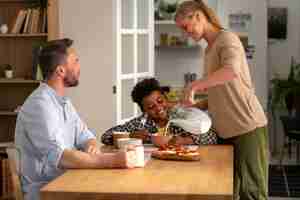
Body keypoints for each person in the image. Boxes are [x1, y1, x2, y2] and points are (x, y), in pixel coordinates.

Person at [15, 38, 135, 200]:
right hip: (47, 191)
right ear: (61, 71)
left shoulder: (63, 102)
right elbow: (61, 157)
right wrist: (112, 160)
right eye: (75, 61)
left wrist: (91, 147)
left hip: (69, 181)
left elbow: (86, 137)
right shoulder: (40, 105)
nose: (79, 67)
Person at [175, 1, 268, 200]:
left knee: (251, 193)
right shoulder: (209, 49)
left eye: (185, 26)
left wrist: (194, 85)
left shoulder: (227, 39)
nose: (185, 33)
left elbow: (231, 72)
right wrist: (197, 105)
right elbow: (220, 91)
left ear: (198, 16)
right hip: (225, 131)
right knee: (229, 191)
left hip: (246, 127)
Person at [101, 78, 217, 146]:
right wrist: (131, 136)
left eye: (160, 101)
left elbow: (212, 137)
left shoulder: (180, 116)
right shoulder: (140, 124)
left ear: (165, 98)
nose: (158, 108)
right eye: (151, 107)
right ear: (144, 111)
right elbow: (105, 136)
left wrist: (185, 140)